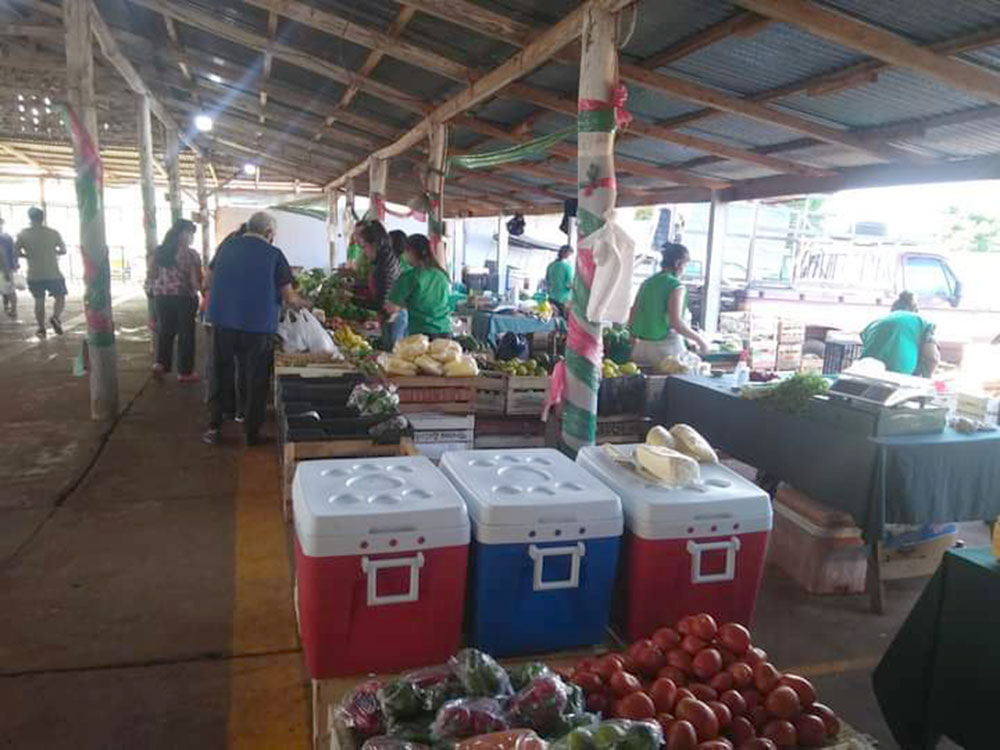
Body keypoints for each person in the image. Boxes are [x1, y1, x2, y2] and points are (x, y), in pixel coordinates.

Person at [204, 211, 305, 445]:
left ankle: (214, 426)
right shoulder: (274, 254)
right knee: (255, 378)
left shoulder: (226, 247)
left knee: (220, 372)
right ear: (269, 233)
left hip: (223, 320)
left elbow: (207, 280)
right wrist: (305, 304)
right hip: (258, 325)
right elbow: (289, 297)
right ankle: (250, 431)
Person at [629, 242, 709, 367]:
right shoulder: (675, 286)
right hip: (666, 349)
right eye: (685, 265)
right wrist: (701, 341)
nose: (684, 270)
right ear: (678, 264)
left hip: (641, 349)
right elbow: (676, 323)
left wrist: (632, 338)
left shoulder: (648, 283)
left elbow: (633, 312)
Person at [149, 219, 202, 383]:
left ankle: (160, 365)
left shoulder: (159, 252)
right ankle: (185, 372)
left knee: (165, 331)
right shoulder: (191, 255)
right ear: (182, 235)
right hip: (184, 298)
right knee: (186, 334)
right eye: (190, 234)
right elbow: (194, 282)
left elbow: (151, 274)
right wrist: (205, 291)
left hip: (161, 297)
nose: (192, 238)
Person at [385, 233, 452, 339]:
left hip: (422, 334)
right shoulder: (441, 275)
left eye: (406, 252)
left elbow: (392, 308)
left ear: (411, 251)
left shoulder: (409, 277)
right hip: (446, 330)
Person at [861, 291, 940, 376]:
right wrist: (928, 378)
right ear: (915, 310)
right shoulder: (923, 322)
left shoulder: (875, 323)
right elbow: (932, 358)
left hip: (864, 373)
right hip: (897, 377)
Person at [16, 207, 66, 339]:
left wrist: (27, 255)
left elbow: (16, 252)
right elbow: (63, 250)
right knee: (60, 297)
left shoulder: (23, 234)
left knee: (39, 301)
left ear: (29, 218)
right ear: (42, 217)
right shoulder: (53, 233)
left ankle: (41, 328)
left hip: (34, 274)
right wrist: (52, 252)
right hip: (53, 273)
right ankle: (55, 317)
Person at [356, 221, 403, 351]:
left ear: (374, 244)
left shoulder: (384, 266)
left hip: (393, 319)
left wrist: (352, 299)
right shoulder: (385, 258)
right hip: (392, 317)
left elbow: (380, 302)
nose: (364, 252)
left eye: (364, 247)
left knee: (392, 355)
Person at [545, 245, 574, 317]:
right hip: (563, 300)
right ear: (567, 254)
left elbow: (547, 281)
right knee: (562, 321)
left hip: (551, 299)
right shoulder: (567, 267)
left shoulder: (550, 265)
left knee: (552, 320)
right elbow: (569, 285)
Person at [0, 217, 17, 318]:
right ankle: (12, 309)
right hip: (8, 267)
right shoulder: (8, 237)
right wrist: (14, 265)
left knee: (9, 290)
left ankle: (12, 309)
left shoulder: (4, 238)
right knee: (10, 290)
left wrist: (6, 269)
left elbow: (2, 254)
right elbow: (14, 252)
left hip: (3, 268)